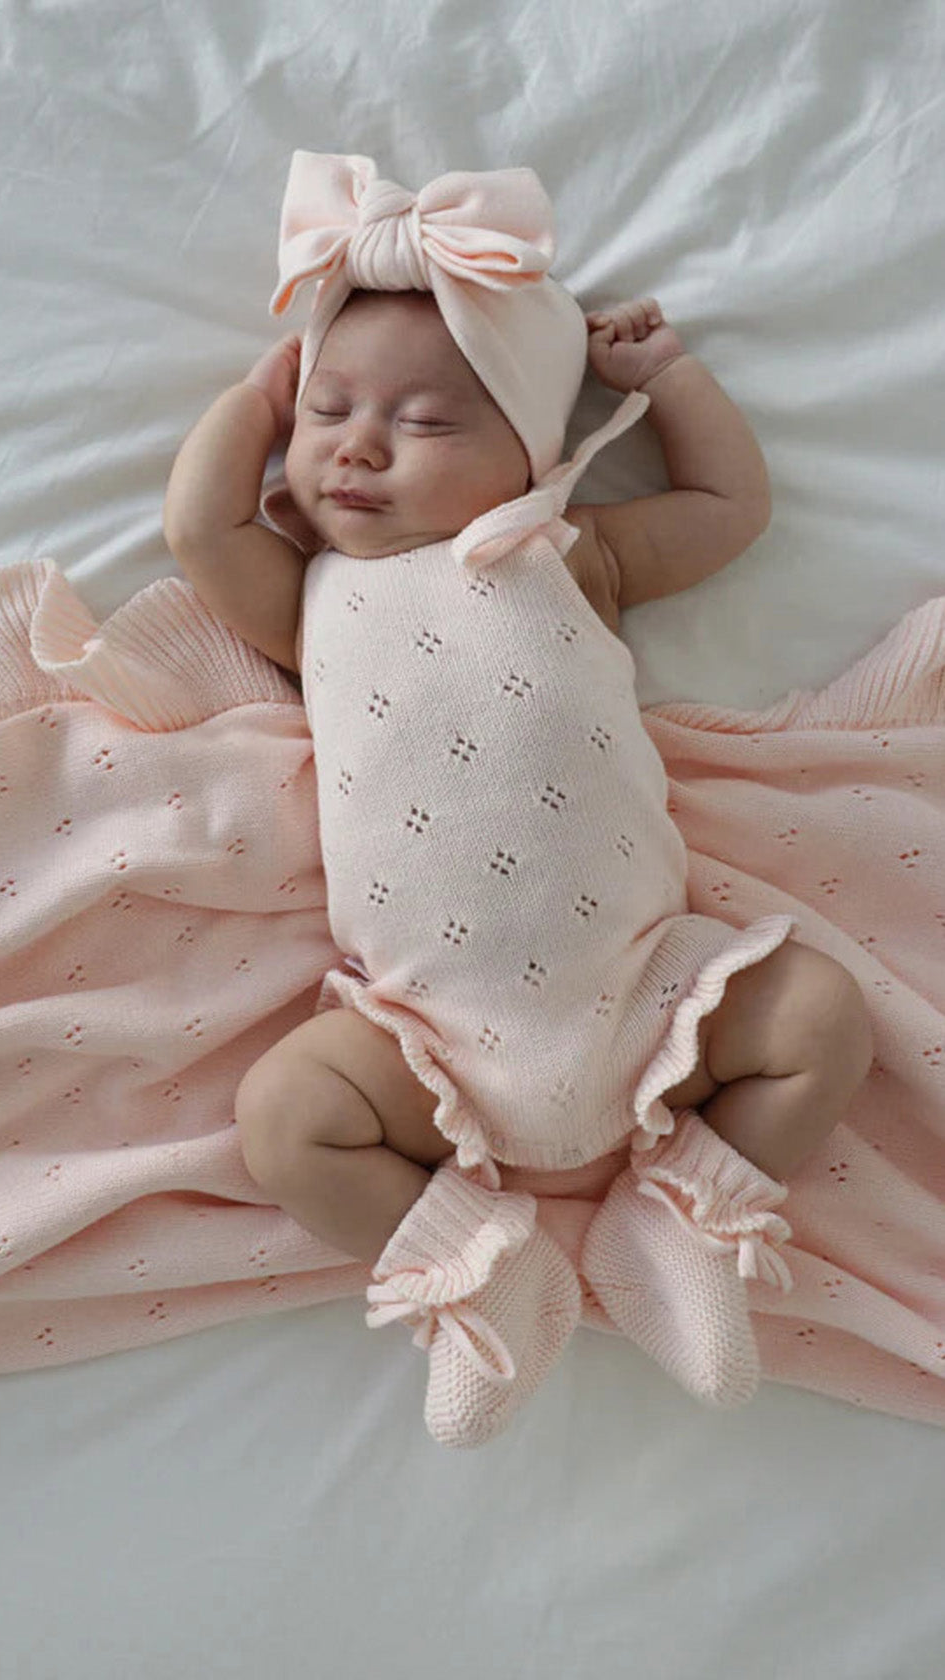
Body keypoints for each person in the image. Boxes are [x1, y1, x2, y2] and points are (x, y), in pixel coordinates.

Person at [163, 151, 874, 1447]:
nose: (361, 448)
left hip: (648, 987)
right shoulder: (312, 595)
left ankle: (682, 1220)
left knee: (821, 1015)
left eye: (426, 423)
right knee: (285, 1118)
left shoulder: (571, 555)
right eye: (333, 413)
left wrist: (665, 382)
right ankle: (485, 1270)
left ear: (527, 453)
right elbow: (203, 532)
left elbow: (729, 505)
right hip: (424, 1031)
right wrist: (258, 402)